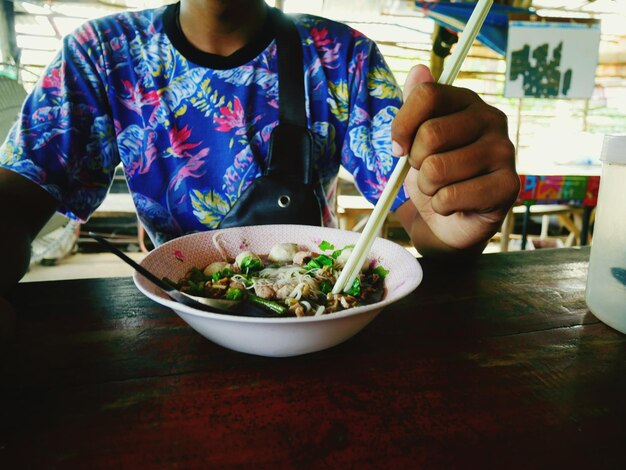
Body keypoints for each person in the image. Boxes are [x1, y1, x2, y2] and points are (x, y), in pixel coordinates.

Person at [0, 0, 519, 319]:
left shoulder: (341, 56)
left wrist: (452, 216)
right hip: (175, 318)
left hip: (319, 317)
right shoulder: (100, 54)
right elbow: (16, 196)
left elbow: (417, 210)